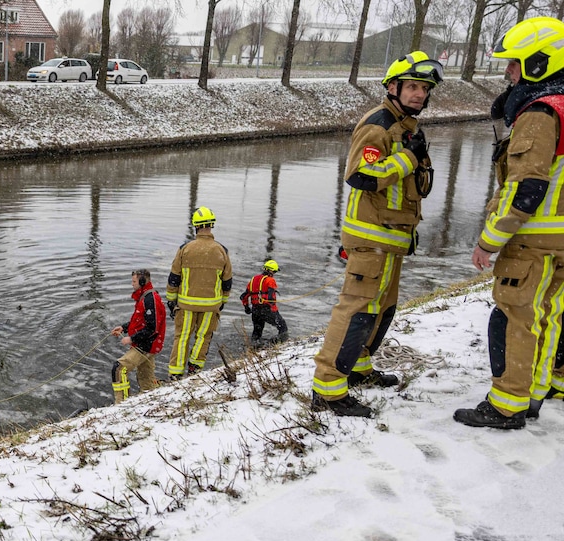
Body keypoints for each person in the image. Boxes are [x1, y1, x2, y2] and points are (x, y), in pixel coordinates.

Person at [310, 51, 441, 418]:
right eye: (412, 86)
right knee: (357, 309)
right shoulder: (379, 125)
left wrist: (417, 161)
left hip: (393, 239)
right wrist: (408, 160)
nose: (418, 94)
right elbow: (360, 176)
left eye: (424, 89)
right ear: (393, 87)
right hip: (371, 238)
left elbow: (415, 186)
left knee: (382, 310)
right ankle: (328, 389)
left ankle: (358, 368)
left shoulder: (408, 127)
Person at [454, 17, 564, 430]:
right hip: (559, 242)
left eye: (514, 64)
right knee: (549, 315)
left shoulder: (539, 112)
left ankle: (507, 404)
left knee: (514, 316)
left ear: (540, 64)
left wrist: (488, 241)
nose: (508, 73)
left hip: (533, 242)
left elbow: (526, 189)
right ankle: (538, 391)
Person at [165, 207, 233, 380]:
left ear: (195, 226)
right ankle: (194, 369)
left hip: (186, 305)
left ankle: (176, 374)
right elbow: (227, 282)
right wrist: (222, 302)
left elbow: (174, 278)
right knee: (203, 337)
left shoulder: (185, 249)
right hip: (211, 306)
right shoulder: (221, 250)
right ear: (211, 225)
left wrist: (171, 301)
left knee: (182, 338)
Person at [110, 269, 167, 403]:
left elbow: (152, 328)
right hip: (148, 344)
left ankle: (121, 403)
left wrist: (131, 338)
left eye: (134, 281)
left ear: (142, 281)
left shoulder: (150, 299)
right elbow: (140, 321)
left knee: (118, 368)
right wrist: (124, 327)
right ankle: (151, 398)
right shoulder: (145, 297)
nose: (132, 284)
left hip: (146, 345)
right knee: (146, 379)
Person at [240, 259, 289, 345]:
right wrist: (273, 310)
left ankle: (253, 349)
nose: (274, 274)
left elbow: (243, 296)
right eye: (274, 272)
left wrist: (247, 307)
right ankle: (278, 345)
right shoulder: (270, 280)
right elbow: (270, 298)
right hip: (267, 310)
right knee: (282, 327)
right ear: (270, 271)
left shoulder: (253, 279)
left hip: (255, 310)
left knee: (257, 332)